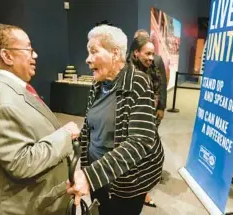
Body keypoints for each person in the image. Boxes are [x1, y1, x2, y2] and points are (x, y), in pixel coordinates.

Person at [0, 23, 80, 215]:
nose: (35, 56)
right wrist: (65, 135)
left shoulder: (1, 87)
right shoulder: (2, 102)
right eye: (29, 49)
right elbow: (21, 163)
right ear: (6, 56)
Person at [67, 25, 164, 215]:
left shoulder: (138, 82)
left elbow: (140, 141)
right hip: (97, 173)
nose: (87, 59)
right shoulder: (98, 84)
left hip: (124, 182)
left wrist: (89, 176)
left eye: (94, 51)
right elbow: (90, 123)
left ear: (115, 53)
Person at [132, 30, 168, 207]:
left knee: (148, 154)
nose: (151, 58)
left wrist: (161, 106)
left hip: (151, 118)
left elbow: (162, 85)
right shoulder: (127, 70)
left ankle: (143, 188)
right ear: (136, 52)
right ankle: (141, 192)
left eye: (152, 54)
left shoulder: (156, 64)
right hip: (134, 122)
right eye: (147, 53)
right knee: (138, 156)